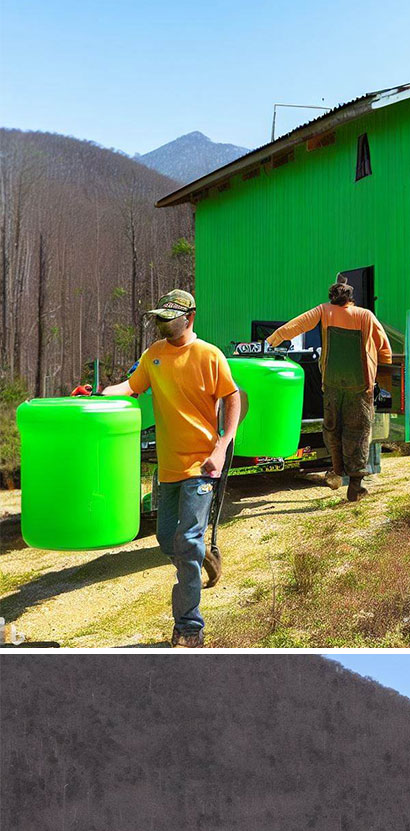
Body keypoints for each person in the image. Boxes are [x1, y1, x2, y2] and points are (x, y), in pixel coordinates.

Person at [104, 290, 238, 646]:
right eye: (159, 318)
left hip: (203, 464)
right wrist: (100, 395)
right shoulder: (154, 355)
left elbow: (233, 397)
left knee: (187, 540)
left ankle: (189, 627)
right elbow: (131, 387)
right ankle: (200, 557)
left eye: (169, 318)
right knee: (168, 540)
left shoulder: (210, 355)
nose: (162, 324)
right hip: (169, 468)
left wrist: (222, 446)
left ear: (189, 317)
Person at [267, 275, 392, 504]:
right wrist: (383, 370)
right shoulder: (365, 315)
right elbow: (383, 346)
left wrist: (271, 341)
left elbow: (297, 324)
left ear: (331, 297)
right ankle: (355, 485)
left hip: (332, 383)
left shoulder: (324, 311)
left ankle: (337, 470)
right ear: (351, 298)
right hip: (360, 384)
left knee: (332, 428)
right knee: (358, 431)